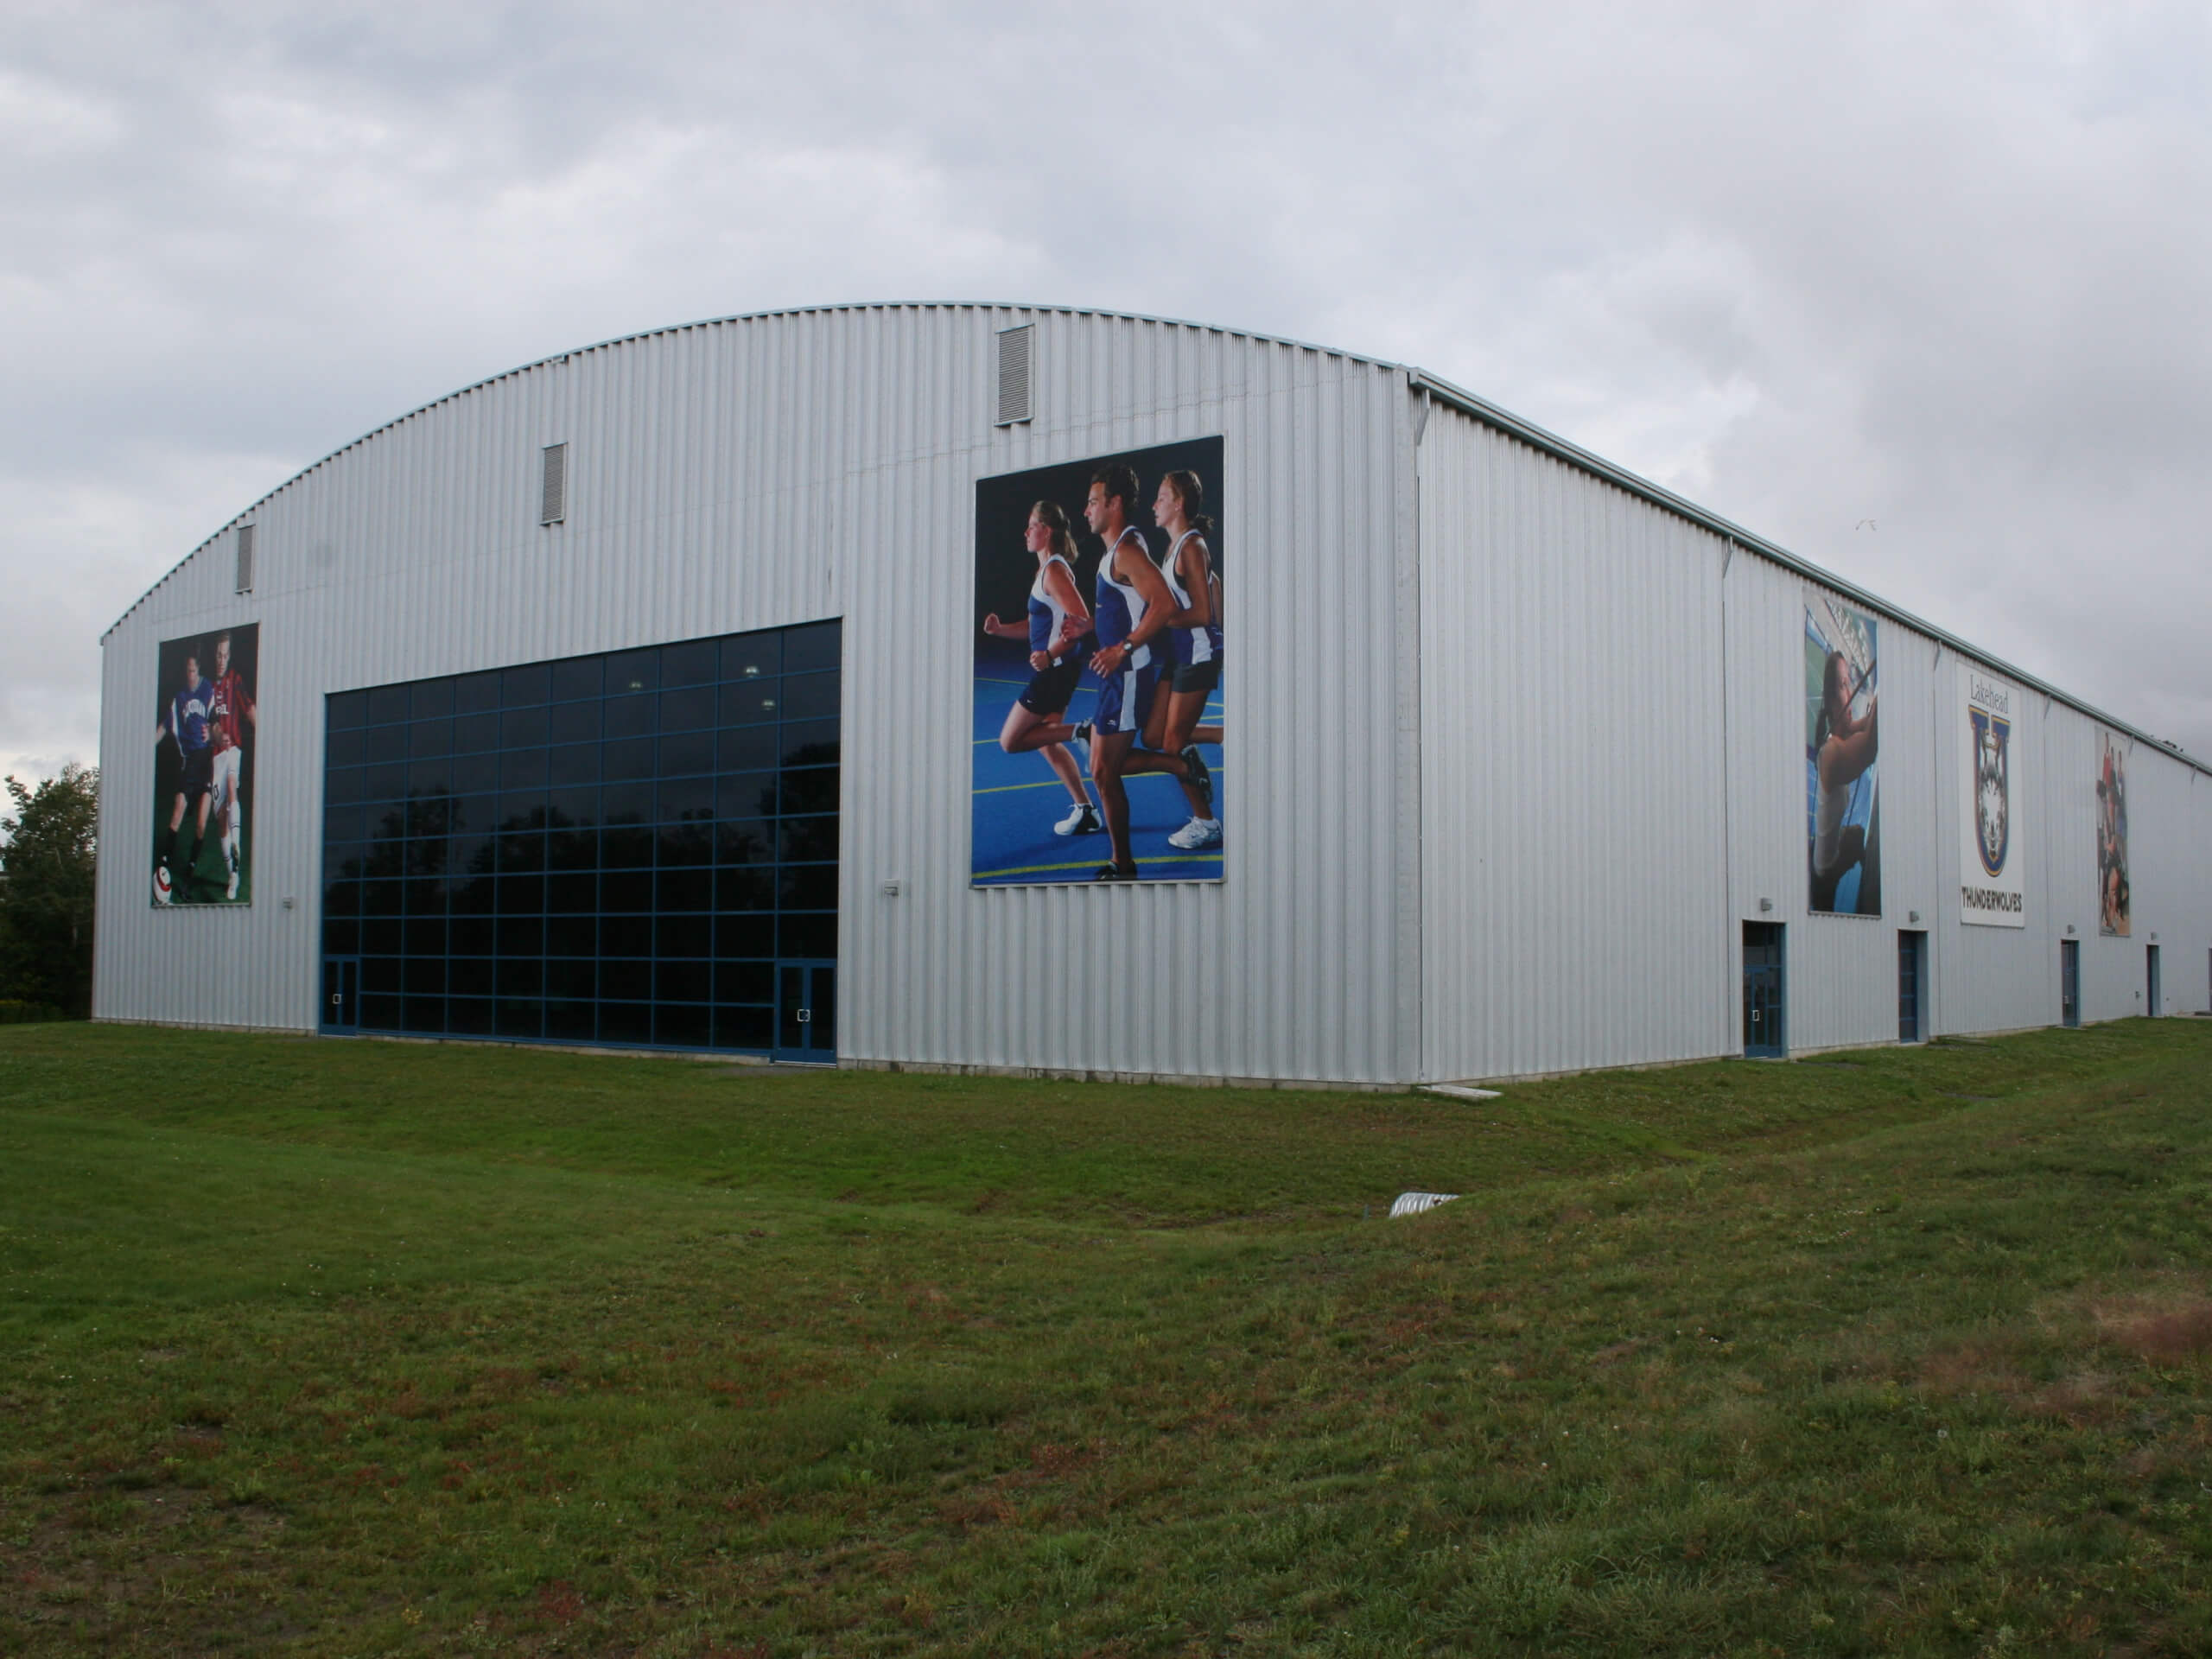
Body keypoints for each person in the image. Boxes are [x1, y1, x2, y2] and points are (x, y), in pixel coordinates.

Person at [1059, 461, 1197, 880]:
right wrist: (1094, 628)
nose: (1086, 511)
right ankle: (1179, 765)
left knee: (1102, 771)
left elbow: (1164, 604)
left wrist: (1122, 647)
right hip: (1115, 674)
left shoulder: (1127, 551)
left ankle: (1123, 863)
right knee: (1104, 768)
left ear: (1114, 504)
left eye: (1093, 502)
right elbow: (1131, 606)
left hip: (1130, 673)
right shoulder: (1115, 550)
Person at [980, 501, 1100, 836]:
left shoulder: (1055, 571)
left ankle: (1085, 732)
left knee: (1011, 741)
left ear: (1046, 531)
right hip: (1057, 668)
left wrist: (1049, 655)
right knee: (1046, 741)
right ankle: (1085, 810)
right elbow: (1035, 625)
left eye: (1032, 526)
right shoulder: (1044, 571)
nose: (1026, 532)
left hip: (1056, 670)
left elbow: (1081, 621)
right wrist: (1000, 630)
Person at [1123, 469, 1224, 850]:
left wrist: (1156, 622)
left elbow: (1202, 614)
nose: (1154, 504)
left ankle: (1207, 823)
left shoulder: (1192, 548)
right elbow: (1214, 588)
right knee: (1153, 736)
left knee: (1171, 743)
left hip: (1197, 654)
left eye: (1162, 497)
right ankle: (1223, 735)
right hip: (1180, 653)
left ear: (1178, 504)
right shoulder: (1174, 547)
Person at [1809, 649, 1877, 912]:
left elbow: (1859, 725)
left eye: (1849, 684)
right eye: (1842, 686)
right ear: (1830, 699)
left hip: (1830, 846)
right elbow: (1870, 746)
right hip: (1825, 872)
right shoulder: (1832, 753)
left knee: (1857, 834)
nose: (1849, 693)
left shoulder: (1840, 734)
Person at [153, 648, 217, 903]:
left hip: (208, 763)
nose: (190, 675)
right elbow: (164, 726)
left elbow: (218, 723)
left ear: (198, 671)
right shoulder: (178, 699)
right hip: (190, 763)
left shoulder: (208, 690)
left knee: (201, 824)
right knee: (177, 811)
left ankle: (189, 872)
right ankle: (163, 863)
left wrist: (213, 733)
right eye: (187, 671)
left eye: (193, 670)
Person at [205, 631, 257, 898]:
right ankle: (233, 874)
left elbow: (249, 709)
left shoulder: (235, 680)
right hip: (214, 757)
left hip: (233, 750)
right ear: (212, 656)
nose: (222, 660)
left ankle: (237, 846)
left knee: (232, 786)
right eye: (218, 655)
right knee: (221, 819)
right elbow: (206, 728)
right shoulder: (206, 688)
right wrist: (216, 734)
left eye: (226, 655)